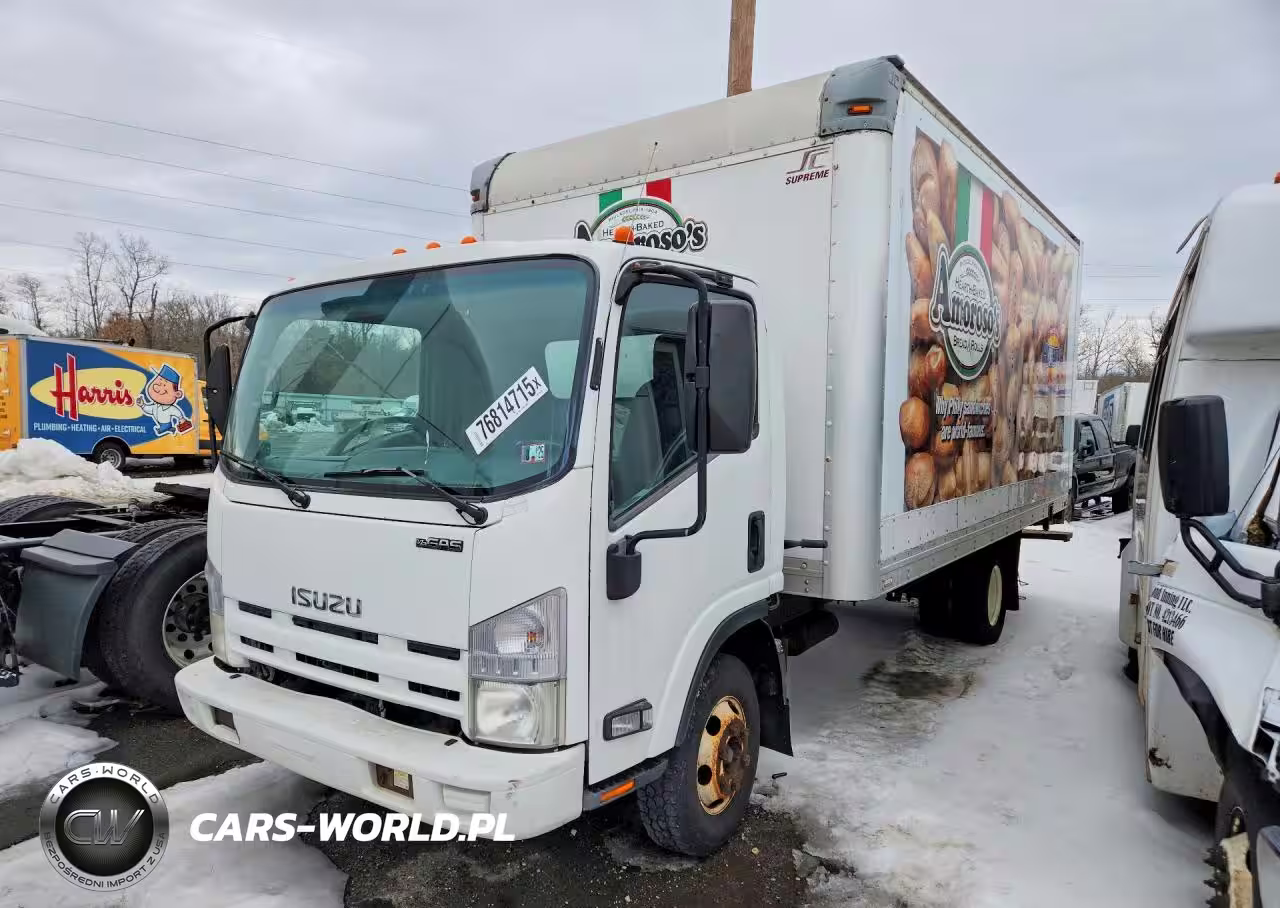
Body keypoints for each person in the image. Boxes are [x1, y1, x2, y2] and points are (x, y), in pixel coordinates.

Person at [137, 364, 193, 436]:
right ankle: (170, 429)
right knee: (162, 428)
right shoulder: (155, 406)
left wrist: (181, 419)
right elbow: (149, 409)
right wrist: (142, 405)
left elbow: (177, 412)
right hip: (161, 423)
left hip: (165, 423)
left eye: (164, 385)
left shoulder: (170, 408)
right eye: (159, 380)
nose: (157, 387)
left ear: (177, 394)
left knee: (161, 429)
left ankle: (167, 429)